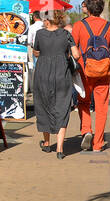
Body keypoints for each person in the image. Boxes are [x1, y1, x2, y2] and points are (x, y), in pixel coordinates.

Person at [30, 11, 80, 160]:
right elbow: (76, 55)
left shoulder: (39, 34)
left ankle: (46, 143)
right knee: (62, 106)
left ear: (47, 21)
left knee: (44, 104)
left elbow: (36, 52)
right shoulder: (66, 34)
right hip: (61, 73)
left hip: (43, 73)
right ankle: (59, 148)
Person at [72, 0, 110, 153]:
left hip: (85, 70)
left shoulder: (79, 26)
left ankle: (86, 130)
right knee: (101, 107)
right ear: (101, 9)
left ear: (88, 8)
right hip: (104, 71)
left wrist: (79, 66)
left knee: (83, 102)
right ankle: (98, 144)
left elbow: (75, 50)